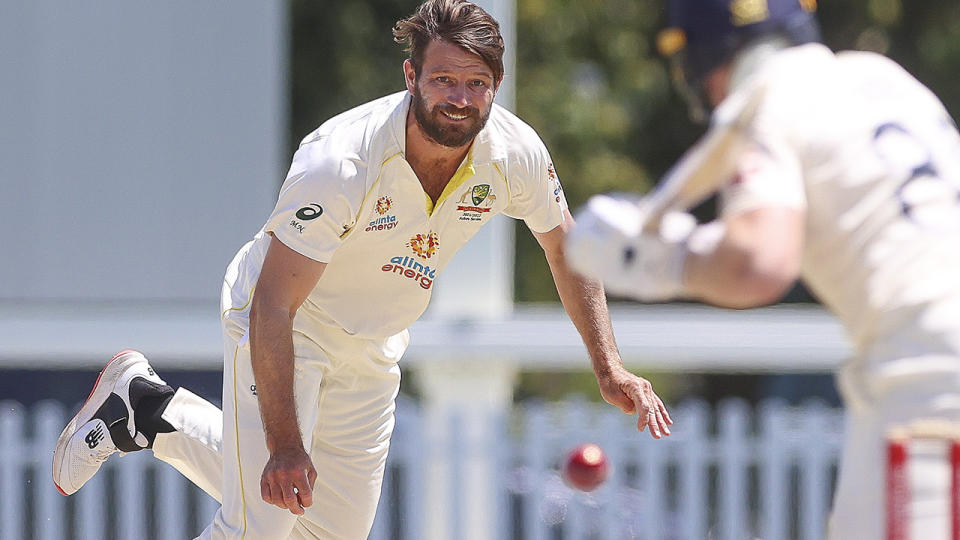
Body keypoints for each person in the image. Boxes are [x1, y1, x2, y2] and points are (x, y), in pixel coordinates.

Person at [50, 1, 673, 539]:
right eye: (444, 79)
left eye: (477, 83)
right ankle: (158, 415)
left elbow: (567, 250)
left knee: (323, 530)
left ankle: (149, 410)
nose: (459, 98)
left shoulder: (514, 155)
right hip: (287, 326)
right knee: (260, 526)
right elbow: (274, 306)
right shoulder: (341, 162)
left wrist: (608, 365)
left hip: (373, 344)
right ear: (411, 76)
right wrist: (287, 447)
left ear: (497, 85)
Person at [565, 0, 960, 538]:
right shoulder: (883, 77)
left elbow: (759, 262)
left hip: (931, 377)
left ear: (708, 59)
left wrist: (662, 262)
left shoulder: (769, 102)